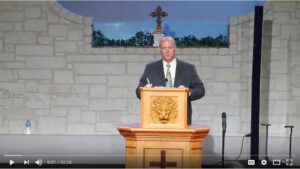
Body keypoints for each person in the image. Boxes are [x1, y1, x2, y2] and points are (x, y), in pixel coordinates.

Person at [136, 36, 205, 124]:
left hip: (182, 119)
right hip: (156, 120)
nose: (167, 50)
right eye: (164, 48)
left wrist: (187, 92)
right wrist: (144, 90)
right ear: (160, 50)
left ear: (175, 48)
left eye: (170, 47)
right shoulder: (151, 68)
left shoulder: (188, 68)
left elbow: (200, 89)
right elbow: (138, 92)